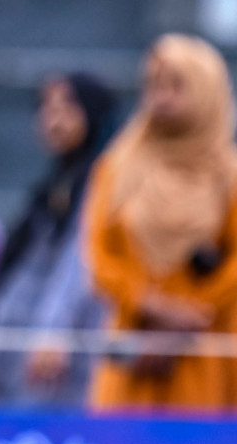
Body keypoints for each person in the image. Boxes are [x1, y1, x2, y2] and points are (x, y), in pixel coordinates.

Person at [83, 34, 237, 414]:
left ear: (206, 92)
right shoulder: (117, 168)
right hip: (133, 347)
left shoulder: (228, 178)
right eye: (153, 85)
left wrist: (188, 316)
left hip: (206, 351)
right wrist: (145, 303)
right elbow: (99, 254)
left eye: (176, 86)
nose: (161, 98)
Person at [0, 74, 116, 408]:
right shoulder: (56, 183)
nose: (52, 119)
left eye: (66, 107)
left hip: (62, 359)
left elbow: (79, 261)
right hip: (20, 353)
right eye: (46, 108)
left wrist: (53, 332)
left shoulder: (104, 179)